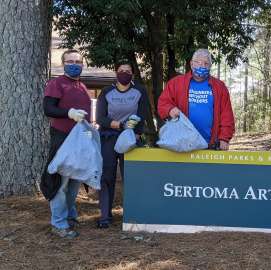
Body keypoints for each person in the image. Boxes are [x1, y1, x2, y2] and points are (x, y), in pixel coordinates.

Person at [41, 49, 91, 239]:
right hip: (62, 138)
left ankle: (69, 216)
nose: (74, 64)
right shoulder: (56, 84)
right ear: (63, 64)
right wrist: (69, 113)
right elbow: (48, 108)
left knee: (74, 182)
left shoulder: (82, 87)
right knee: (60, 183)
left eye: (78, 61)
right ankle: (58, 223)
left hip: (80, 140)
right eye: (70, 61)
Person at [95, 60, 148, 228]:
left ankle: (133, 215)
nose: (124, 72)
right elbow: (100, 117)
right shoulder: (106, 91)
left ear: (132, 74)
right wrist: (119, 124)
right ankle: (105, 216)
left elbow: (143, 113)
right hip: (108, 138)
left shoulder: (140, 90)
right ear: (116, 73)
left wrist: (136, 131)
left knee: (131, 178)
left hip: (131, 139)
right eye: (121, 70)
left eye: (128, 70)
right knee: (106, 177)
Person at [157, 49, 235, 150]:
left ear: (210, 66)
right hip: (181, 143)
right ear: (191, 64)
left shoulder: (219, 87)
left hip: (210, 145)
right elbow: (163, 103)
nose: (201, 66)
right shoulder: (176, 83)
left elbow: (226, 114)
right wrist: (170, 109)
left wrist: (224, 138)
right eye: (198, 62)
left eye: (206, 63)